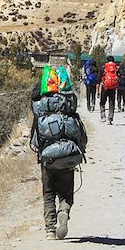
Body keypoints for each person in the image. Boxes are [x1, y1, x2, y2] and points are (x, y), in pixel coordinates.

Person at [30, 74, 87, 240]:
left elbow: (35, 138)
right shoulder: (68, 109)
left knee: (48, 193)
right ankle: (64, 211)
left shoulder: (41, 109)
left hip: (48, 158)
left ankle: (50, 230)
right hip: (67, 157)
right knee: (66, 192)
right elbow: (81, 136)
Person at [100, 56, 119, 125]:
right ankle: (110, 119)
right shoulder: (116, 68)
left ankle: (103, 116)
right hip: (113, 88)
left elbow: (98, 79)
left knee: (102, 102)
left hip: (105, 87)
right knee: (111, 103)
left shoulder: (103, 68)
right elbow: (118, 78)